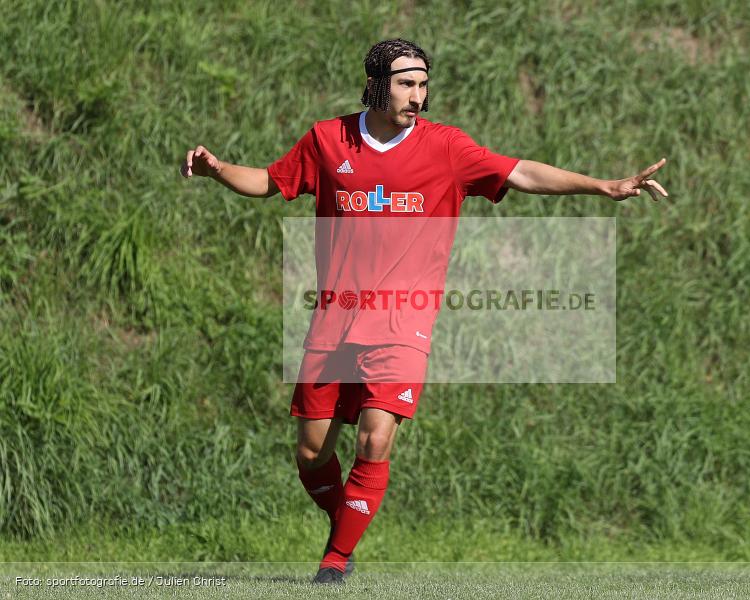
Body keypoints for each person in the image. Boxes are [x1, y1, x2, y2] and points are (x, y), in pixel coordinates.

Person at [180, 38, 668, 585]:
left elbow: (521, 173)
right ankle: (346, 524)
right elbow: (271, 181)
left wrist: (601, 186)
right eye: (405, 83)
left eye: (422, 84)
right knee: (313, 452)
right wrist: (219, 169)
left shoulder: (447, 148)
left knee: (375, 439)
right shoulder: (327, 139)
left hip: (401, 322)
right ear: (375, 83)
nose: (418, 95)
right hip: (335, 318)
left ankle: (334, 564)